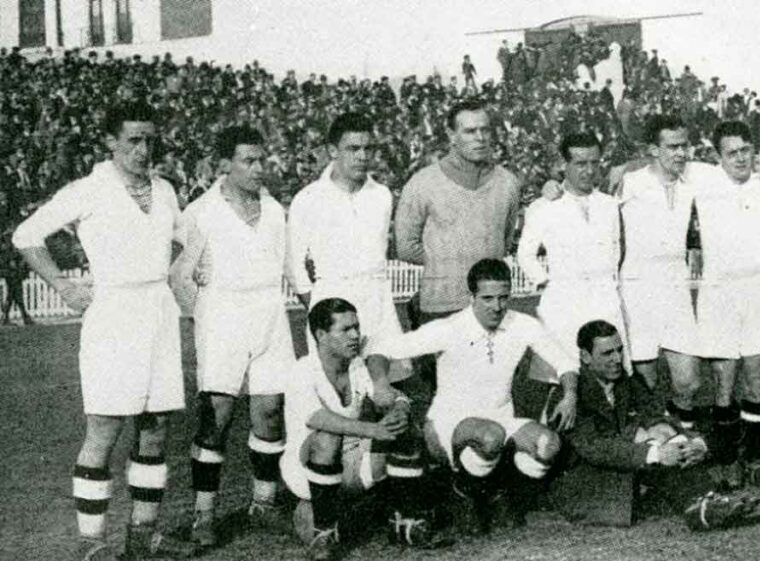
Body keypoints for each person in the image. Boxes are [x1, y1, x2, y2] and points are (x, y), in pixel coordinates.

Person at [12, 101, 196, 560]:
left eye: (150, 140)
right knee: (105, 428)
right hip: (113, 314)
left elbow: (185, 238)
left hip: (158, 311)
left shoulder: (164, 190)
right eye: (134, 140)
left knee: (155, 428)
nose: (143, 149)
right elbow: (25, 235)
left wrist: (188, 271)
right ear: (111, 142)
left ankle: (143, 536)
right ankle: (91, 542)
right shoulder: (88, 189)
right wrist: (62, 285)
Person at [368, 259, 579, 533]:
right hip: (448, 425)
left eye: (503, 297)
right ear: (472, 297)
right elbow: (380, 351)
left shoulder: (523, 324)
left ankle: (498, 493)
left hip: (501, 421)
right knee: (490, 436)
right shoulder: (450, 328)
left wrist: (570, 395)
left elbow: (565, 362)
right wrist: (381, 384)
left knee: (548, 445)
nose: (497, 306)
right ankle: (463, 493)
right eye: (487, 298)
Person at [170, 126, 294, 547]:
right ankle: (203, 514)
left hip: (270, 313)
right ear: (225, 165)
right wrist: (201, 317)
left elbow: (288, 265)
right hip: (223, 314)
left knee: (270, 410)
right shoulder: (201, 212)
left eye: (262, 160)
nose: (259, 168)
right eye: (249, 161)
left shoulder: (274, 209)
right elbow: (179, 275)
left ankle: (264, 503)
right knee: (217, 414)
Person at [553, 320, 760, 529]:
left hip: (626, 467)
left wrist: (696, 443)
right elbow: (595, 448)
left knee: (663, 432)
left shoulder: (625, 382)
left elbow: (656, 416)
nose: (617, 359)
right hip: (589, 481)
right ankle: (706, 505)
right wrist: (654, 453)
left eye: (619, 350)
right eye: (607, 353)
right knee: (656, 449)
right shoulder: (569, 397)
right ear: (585, 356)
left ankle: (706, 504)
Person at [279, 298, 432, 561]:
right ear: (321, 335)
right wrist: (372, 430)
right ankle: (323, 533)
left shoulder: (357, 367)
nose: (355, 335)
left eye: (356, 327)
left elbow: (392, 395)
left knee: (403, 428)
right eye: (345, 329)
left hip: (351, 460)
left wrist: (399, 408)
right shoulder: (302, 370)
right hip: (305, 469)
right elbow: (317, 418)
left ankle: (402, 519)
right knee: (328, 437)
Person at [394, 99, 520, 384]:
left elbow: (504, 240)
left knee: (494, 391)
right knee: (447, 397)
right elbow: (406, 246)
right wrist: (450, 262)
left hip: (490, 307)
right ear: (452, 135)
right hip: (442, 306)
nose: (480, 138)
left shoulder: (508, 182)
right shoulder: (423, 183)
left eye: (485, 130)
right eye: (470, 131)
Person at [692, 121, 760, 490]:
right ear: (718, 156)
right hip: (718, 291)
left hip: (758, 287)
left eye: (746, 150)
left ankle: (756, 457)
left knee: (757, 380)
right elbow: (650, 167)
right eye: (732, 152)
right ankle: (729, 459)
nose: (740, 158)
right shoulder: (701, 180)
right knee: (723, 382)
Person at [287, 112, 411, 382]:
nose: (362, 156)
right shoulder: (307, 199)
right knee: (338, 389)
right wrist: (321, 308)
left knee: (387, 387)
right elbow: (294, 267)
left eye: (368, 148)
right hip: (332, 299)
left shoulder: (382, 195)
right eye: (353, 149)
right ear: (333, 150)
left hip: (378, 301)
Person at [517, 132, 629, 383]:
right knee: (565, 372)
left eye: (594, 163)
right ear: (563, 164)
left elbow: (616, 250)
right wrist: (546, 282)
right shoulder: (544, 206)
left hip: (604, 297)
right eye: (580, 163)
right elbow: (525, 254)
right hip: (564, 300)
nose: (589, 171)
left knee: (610, 371)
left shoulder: (609, 205)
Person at [617, 115, 704, 428]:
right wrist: (554, 187)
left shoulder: (694, 180)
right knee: (645, 382)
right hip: (637, 288)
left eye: (684, 146)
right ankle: (657, 442)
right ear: (653, 149)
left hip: (676, 286)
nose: (681, 153)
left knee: (689, 381)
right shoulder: (628, 181)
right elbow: (586, 193)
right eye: (672, 147)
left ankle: (680, 429)